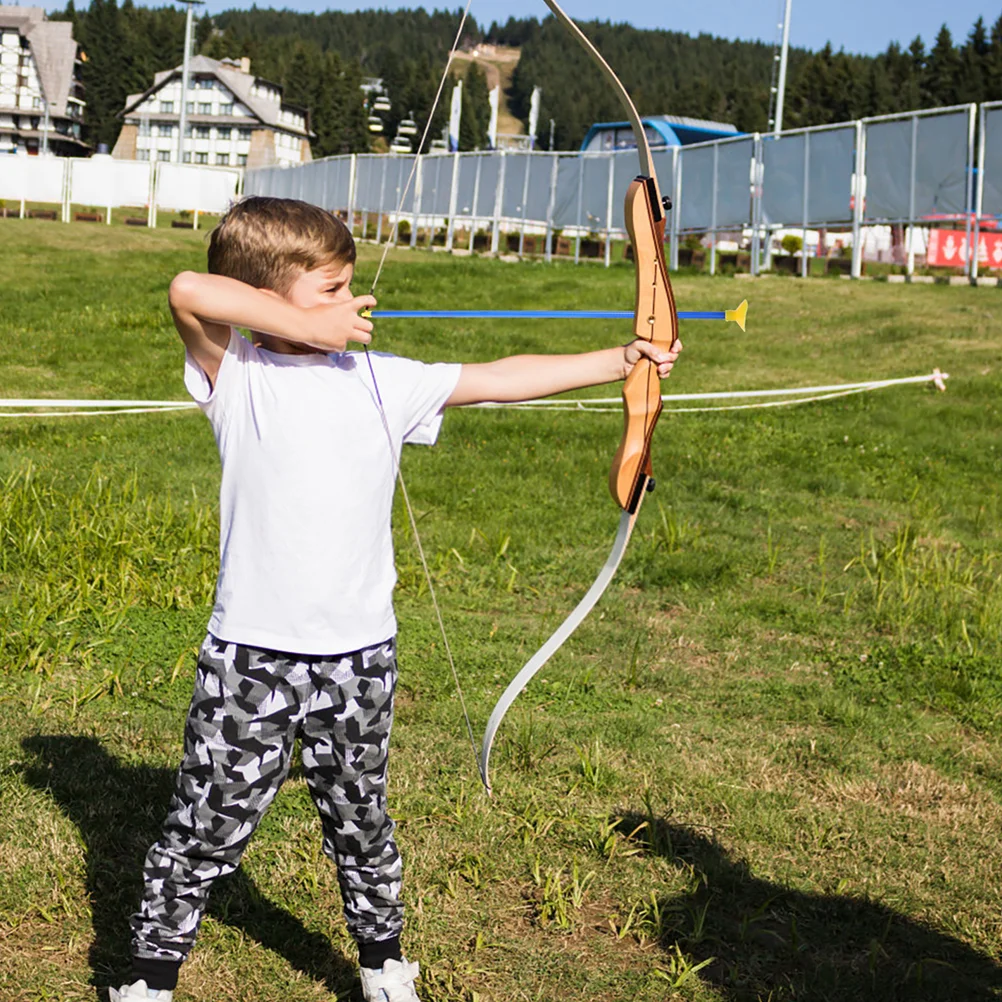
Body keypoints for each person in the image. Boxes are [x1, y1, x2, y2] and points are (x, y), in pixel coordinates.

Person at [111, 196, 681, 1002]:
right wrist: (306, 325)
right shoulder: (236, 375)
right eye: (333, 291)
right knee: (203, 827)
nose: (355, 305)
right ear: (270, 300)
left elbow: (496, 380)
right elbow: (186, 289)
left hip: (359, 658)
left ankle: (383, 965)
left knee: (360, 820)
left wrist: (626, 359)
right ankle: (147, 979)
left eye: (351, 288)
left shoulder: (380, 380)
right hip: (251, 655)